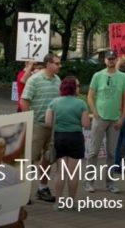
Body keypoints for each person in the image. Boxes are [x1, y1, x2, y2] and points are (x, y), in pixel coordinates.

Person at [86, 50, 125, 194]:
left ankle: (110, 183)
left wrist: (122, 117)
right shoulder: (97, 76)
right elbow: (90, 96)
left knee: (112, 153)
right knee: (93, 152)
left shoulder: (122, 77)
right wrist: (95, 113)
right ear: (105, 60)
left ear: (116, 60)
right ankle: (89, 181)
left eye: (113, 58)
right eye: (108, 58)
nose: (111, 60)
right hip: (100, 119)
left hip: (115, 119)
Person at [21, 52, 62, 202]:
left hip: (52, 126)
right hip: (37, 124)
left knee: (48, 158)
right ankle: (24, 191)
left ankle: (42, 188)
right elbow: (24, 101)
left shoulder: (58, 80)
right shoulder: (34, 79)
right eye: (57, 63)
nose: (59, 66)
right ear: (48, 64)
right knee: (29, 159)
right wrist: (28, 120)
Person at [45, 76, 90, 205]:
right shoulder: (81, 103)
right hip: (75, 138)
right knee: (73, 173)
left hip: (59, 137)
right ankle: (70, 201)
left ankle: (58, 201)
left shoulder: (54, 102)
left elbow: (48, 122)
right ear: (73, 88)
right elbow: (86, 124)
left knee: (60, 171)